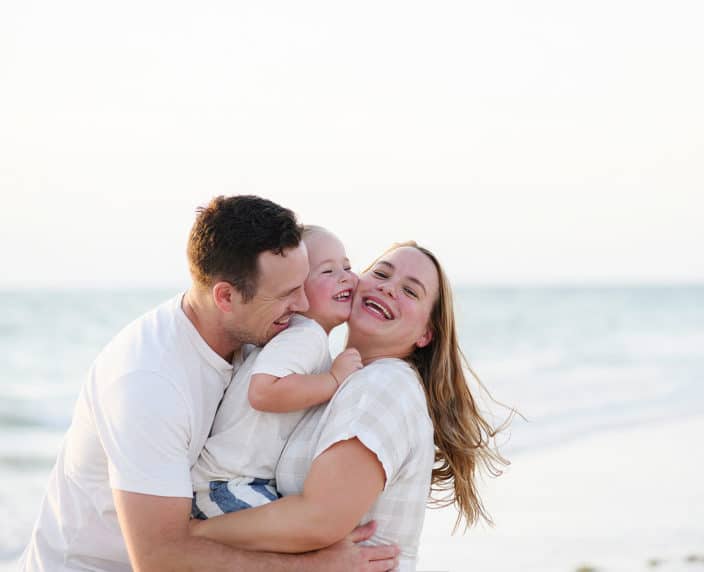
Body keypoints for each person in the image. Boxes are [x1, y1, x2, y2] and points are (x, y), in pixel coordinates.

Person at [21, 196, 399, 572]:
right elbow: (159, 558)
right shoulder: (149, 383)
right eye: (287, 294)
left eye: (303, 284)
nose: (303, 304)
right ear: (226, 297)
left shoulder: (255, 331)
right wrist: (317, 567)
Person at [189, 242, 510, 571]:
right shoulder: (333, 380)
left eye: (410, 292)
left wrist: (191, 533)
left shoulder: (383, 385)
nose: (388, 288)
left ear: (426, 334)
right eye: (381, 274)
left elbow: (319, 519)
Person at [191, 225, 362, 518]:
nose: (346, 277)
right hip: (226, 484)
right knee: (298, 543)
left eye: (347, 266)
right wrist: (334, 380)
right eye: (328, 271)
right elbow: (263, 391)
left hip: (241, 483)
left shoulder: (296, 336)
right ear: (296, 288)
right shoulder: (304, 336)